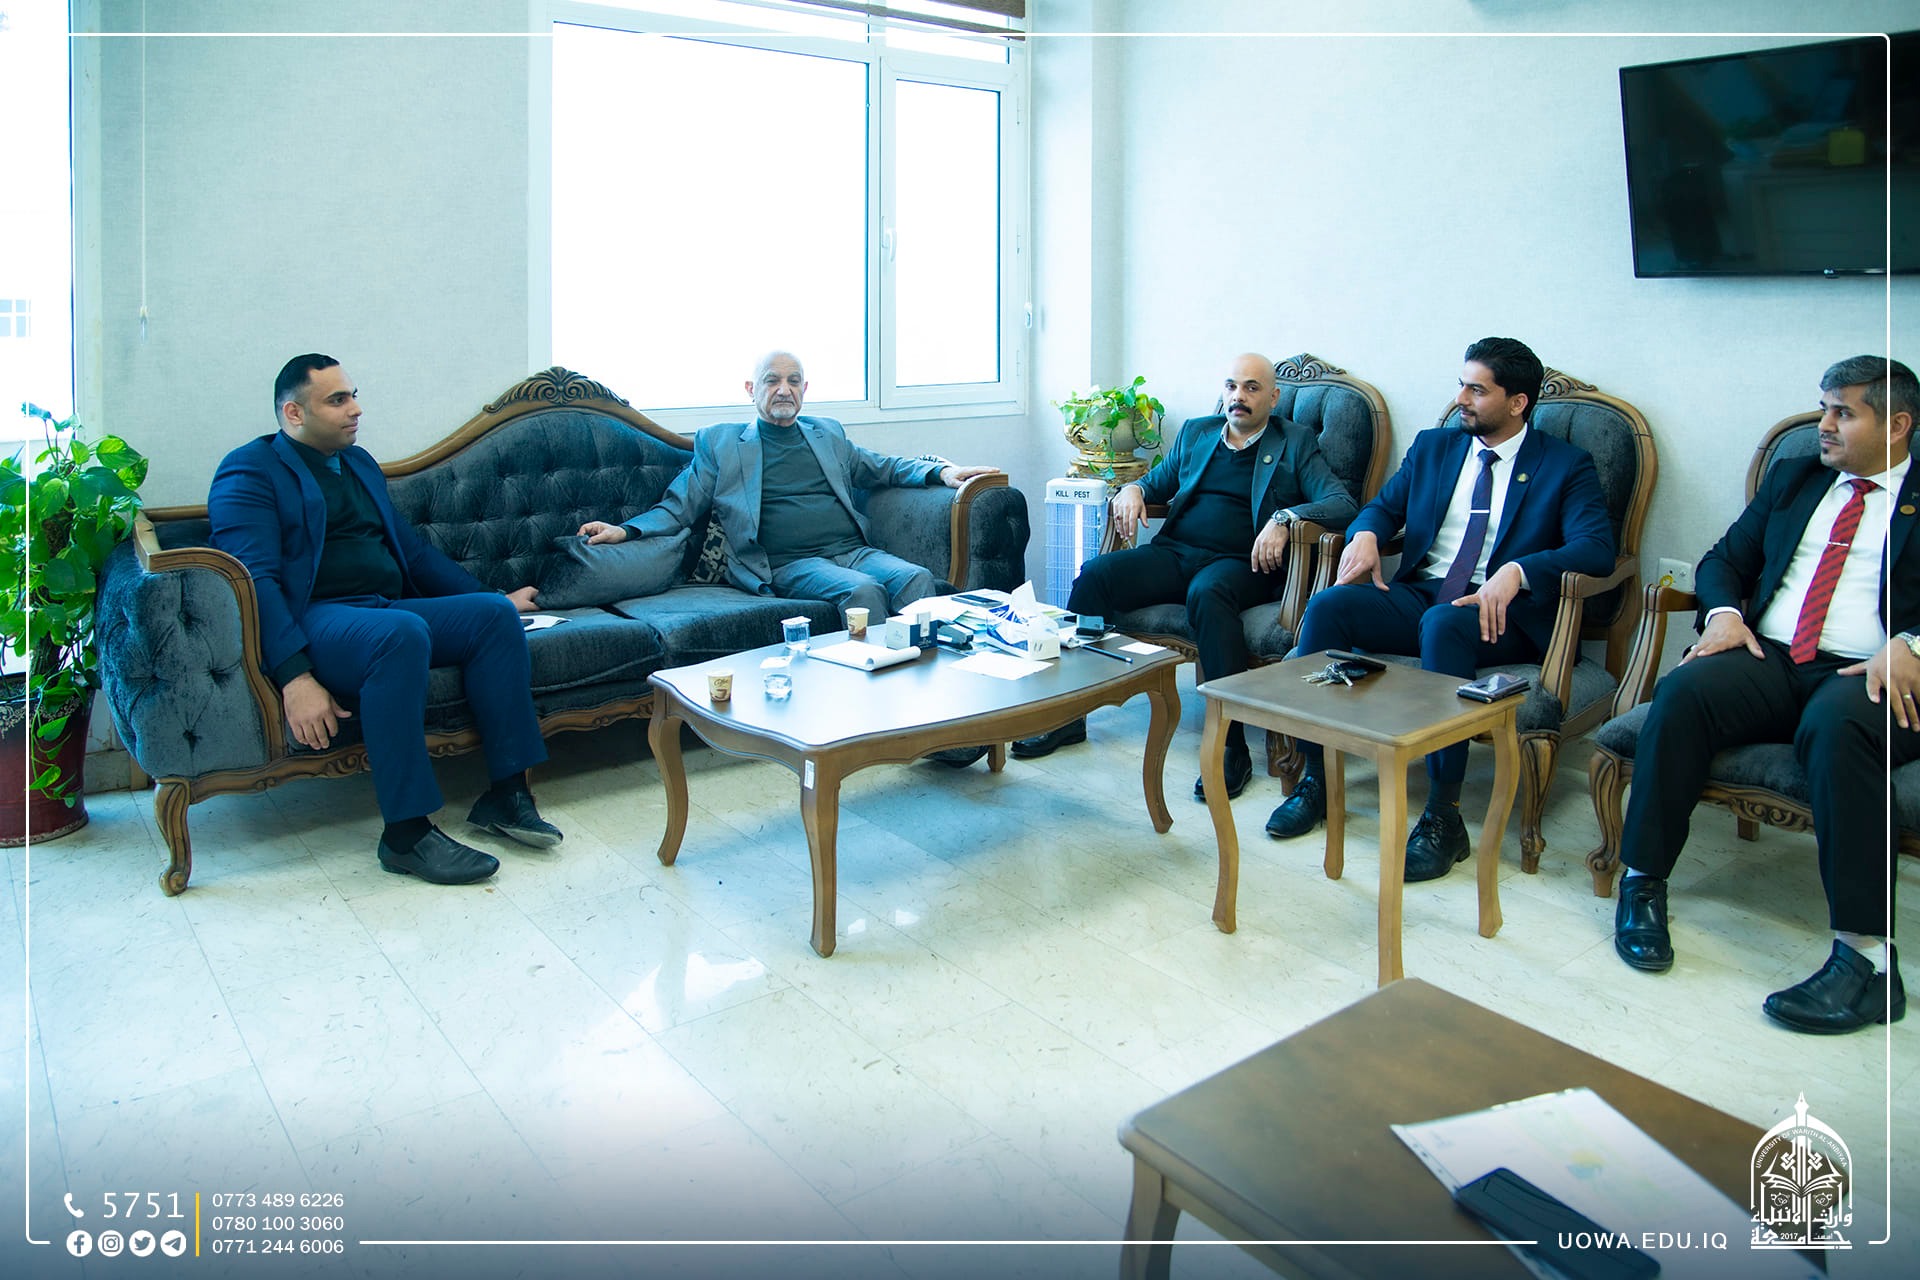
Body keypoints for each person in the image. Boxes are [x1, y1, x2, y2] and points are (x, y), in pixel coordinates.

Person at [1612, 356, 1918, 1034]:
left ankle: (1867, 962)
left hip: (1873, 672)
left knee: (1837, 728)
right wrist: (1724, 615)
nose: (1824, 424)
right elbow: (1725, 560)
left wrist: (1913, 640)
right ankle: (1642, 884)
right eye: (1824, 407)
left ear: (1897, 425)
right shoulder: (1795, 478)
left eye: (1843, 412)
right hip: (1774, 655)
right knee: (1683, 691)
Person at [1266, 337, 1614, 880]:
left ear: (1518, 402)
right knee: (1331, 605)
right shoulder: (1435, 447)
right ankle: (1317, 778)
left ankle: (1443, 816)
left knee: (1445, 622)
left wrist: (1518, 571)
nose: (1460, 399)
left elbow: (1596, 547)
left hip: (1501, 616)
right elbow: (1382, 508)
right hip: (1425, 592)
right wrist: (1366, 534)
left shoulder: (1565, 464)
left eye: (1477, 390)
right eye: (1461, 385)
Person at [208, 354, 559, 886]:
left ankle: (507, 796)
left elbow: (413, 554)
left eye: (353, 395)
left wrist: (495, 597)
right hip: (317, 619)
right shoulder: (249, 471)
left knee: (490, 616)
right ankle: (406, 835)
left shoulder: (358, 464)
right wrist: (294, 676)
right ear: (294, 413)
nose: (356, 409)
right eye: (337, 400)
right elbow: (254, 581)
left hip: (380, 609)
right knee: (401, 633)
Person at [1011, 352, 1358, 801]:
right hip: (1176, 553)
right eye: (1232, 386)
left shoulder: (1294, 442)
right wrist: (1133, 489)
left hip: (1241, 564)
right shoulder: (1198, 433)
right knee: (1095, 576)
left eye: (1252, 388)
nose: (1238, 396)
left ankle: (1231, 745)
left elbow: (1341, 503)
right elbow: (1156, 482)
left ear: (1273, 398)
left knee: (1208, 593)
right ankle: (1069, 715)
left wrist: (1285, 518)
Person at [577, 350, 1000, 620]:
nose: (784, 390)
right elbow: (680, 506)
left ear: (805, 389)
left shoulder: (826, 433)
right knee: (864, 591)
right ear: (751, 389)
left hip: (852, 551)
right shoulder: (722, 443)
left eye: (793, 381)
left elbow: (880, 467)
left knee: (916, 579)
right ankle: (872, 699)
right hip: (788, 563)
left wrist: (941, 473)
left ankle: (930, 694)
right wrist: (625, 530)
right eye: (772, 380)